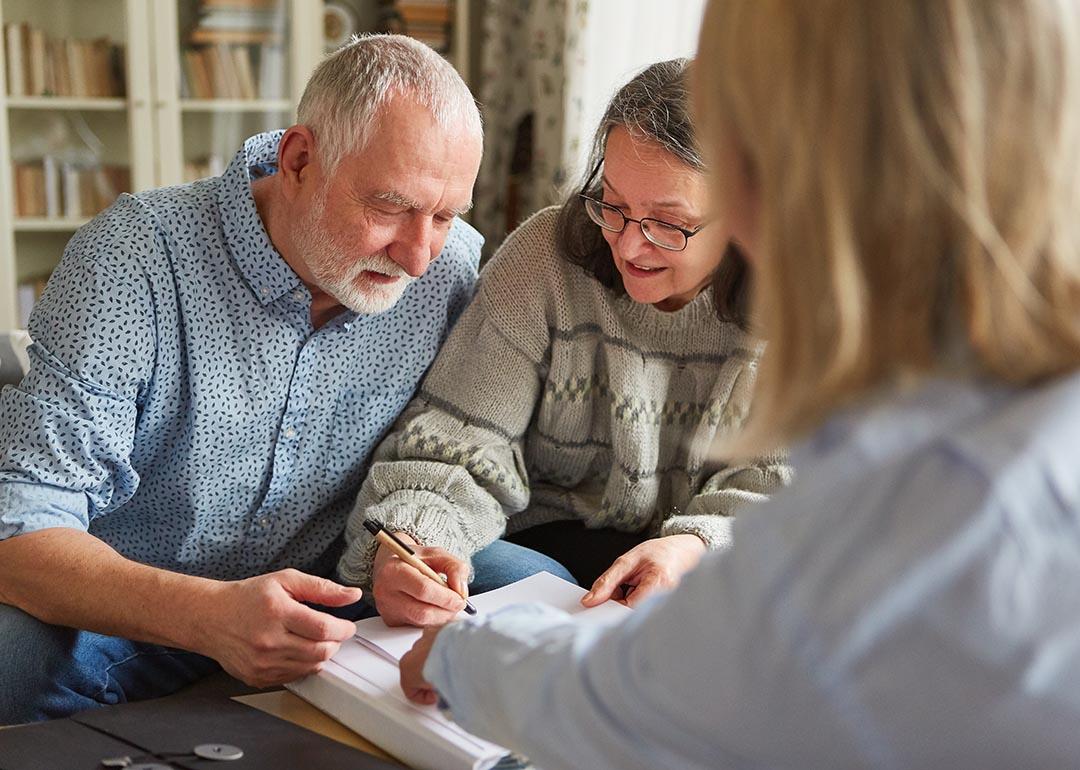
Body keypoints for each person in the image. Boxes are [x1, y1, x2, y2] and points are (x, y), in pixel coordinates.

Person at [397, 1, 1080, 768]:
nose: (634, 243)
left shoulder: (915, 465)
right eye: (615, 208)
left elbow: (677, 691)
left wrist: (466, 655)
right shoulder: (967, 397)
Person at [0, 34, 484, 724]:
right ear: (298, 159)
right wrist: (208, 616)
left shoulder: (453, 269)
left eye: (444, 216)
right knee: (8, 659)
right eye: (389, 207)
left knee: (531, 588)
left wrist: (411, 553)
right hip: (131, 608)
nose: (416, 256)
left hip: (334, 592)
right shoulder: (134, 256)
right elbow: (19, 535)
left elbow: (446, 453)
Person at [338, 58, 790, 628]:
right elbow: (460, 436)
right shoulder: (544, 257)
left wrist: (693, 545)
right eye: (615, 205)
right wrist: (416, 538)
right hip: (538, 550)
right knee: (489, 579)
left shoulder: (797, 298)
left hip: (697, 563)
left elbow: (779, 487)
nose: (627, 247)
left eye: (668, 224)